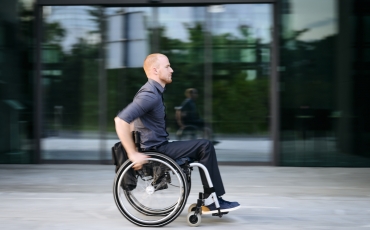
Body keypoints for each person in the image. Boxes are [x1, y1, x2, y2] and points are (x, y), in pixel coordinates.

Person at [114, 53, 239, 213]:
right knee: (205, 146)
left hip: (157, 147)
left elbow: (133, 121)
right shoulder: (149, 94)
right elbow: (121, 120)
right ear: (155, 70)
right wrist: (133, 153)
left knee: (202, 147)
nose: (171, 70)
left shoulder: (152, 92)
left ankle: (212, 198)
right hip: (157, 149)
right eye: (167, 66)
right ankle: (213, 200)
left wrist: (138, 144)